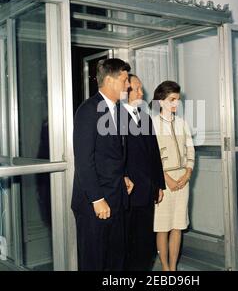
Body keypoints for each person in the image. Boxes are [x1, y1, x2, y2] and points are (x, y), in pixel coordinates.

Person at [71, 58, 134, 271]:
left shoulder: (119, 111)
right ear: (109, 80)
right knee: (94, 262)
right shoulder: (87, 110)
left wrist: (123, 175)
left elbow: (113, 154)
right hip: (94, 203)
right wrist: (97, 199)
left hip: (116, 197)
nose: (129, 85)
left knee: (116, 259)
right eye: (125, 80)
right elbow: (83, 160)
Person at [120, 74, 165, 271]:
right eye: (137, 88)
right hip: (129, 194)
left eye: (140, 88)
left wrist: (159, 185)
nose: (142, 92)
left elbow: (153, 153)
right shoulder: (115, 117)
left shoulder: (145, 117)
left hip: (147, 191)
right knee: (128, 244)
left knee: (146, 243)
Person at [151, 81, 195, 271]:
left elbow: (191, 150)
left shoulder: (182, 123)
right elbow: (151, 157)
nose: (176, 104)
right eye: (172, 100)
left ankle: (174, 268)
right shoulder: (151, 124)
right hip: (163, 180)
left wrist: (188, 173)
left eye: (178, 100)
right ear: (161, 101)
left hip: (182, 179)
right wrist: (166, 179)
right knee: (162, 226)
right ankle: (165, 267)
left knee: (178, 226)